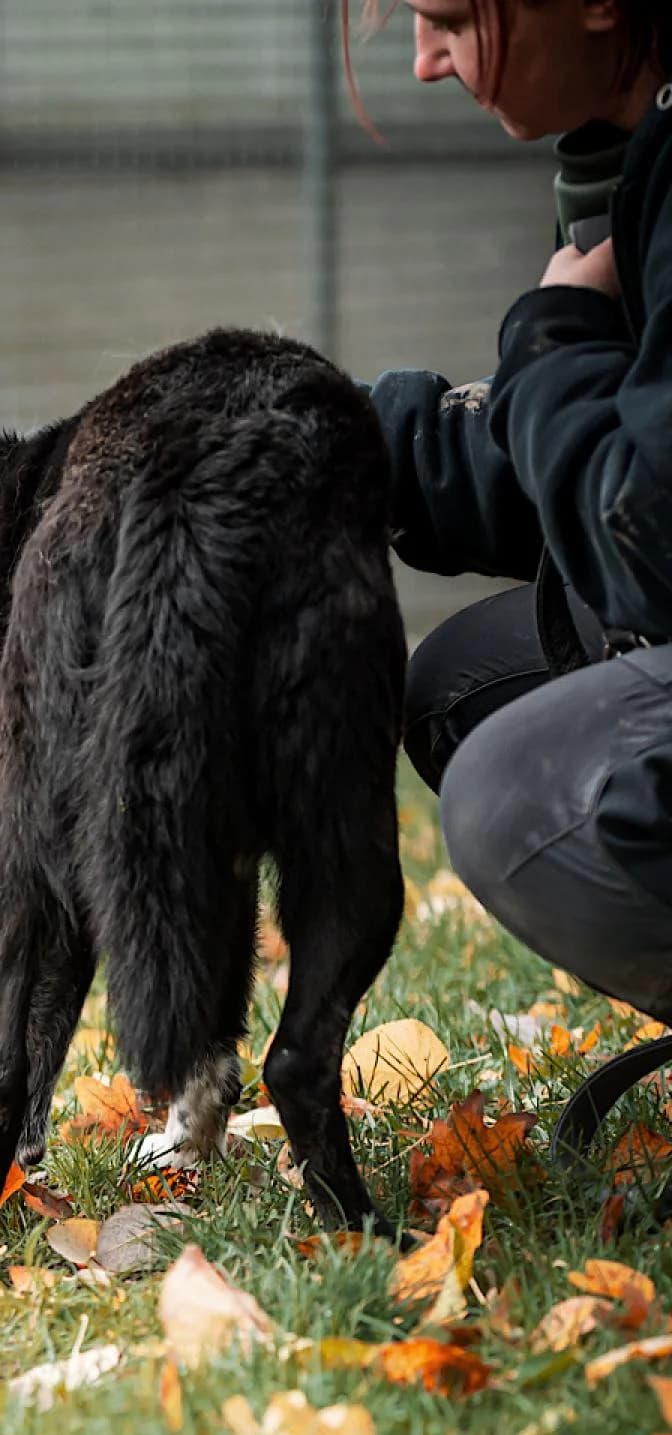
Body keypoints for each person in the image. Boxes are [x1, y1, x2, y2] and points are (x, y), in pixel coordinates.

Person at [344, 0, 672, 1024]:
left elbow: (648, 541)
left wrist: (555, 340)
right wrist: (332, 443)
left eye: (448, 17)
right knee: (457, 685)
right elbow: (581, 461)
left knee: (514, 793)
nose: (427, 62)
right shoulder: (633, 152)